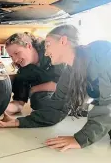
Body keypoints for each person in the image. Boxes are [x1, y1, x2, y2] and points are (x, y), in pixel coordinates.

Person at [41, 24, 111, 152]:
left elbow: (109, 103)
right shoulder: (71, 70)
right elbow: (58, 105)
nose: (45, 52)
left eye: (48, 45)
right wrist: (19, 122)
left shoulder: (103, 54)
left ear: (63, 40)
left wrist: (81, 138)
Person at [0, 32, 68, 128]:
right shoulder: (23, 72)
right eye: (11, 56)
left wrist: (34, 89)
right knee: (37, 100)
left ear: (28, 46)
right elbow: (18, 104)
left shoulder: (51, 52)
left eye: (16, 53)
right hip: (46, 95)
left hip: (72, 89)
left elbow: (62, 84)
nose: (15, 59)